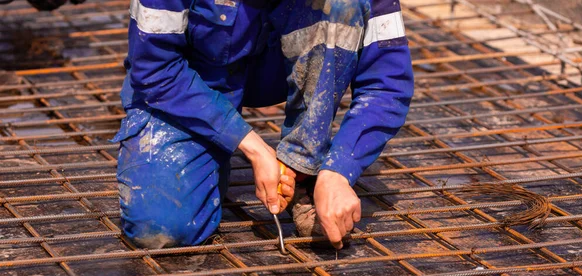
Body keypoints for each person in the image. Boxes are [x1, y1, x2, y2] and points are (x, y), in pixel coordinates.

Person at [113, 0, 414, 250]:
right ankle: (211, 149)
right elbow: (154, 67)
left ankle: (304, 168)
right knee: (162, 229)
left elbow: (386, 86)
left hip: (275, 66)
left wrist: (339, 171)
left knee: (341, 3)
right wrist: (250, 145)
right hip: (189, 84)